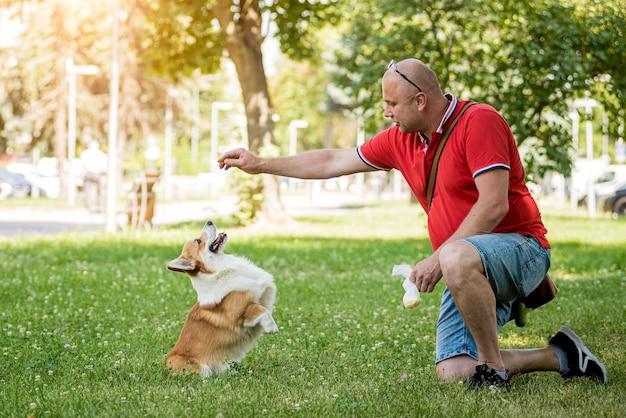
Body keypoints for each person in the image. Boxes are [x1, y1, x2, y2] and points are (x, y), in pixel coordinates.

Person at [217, 58, 608, 389]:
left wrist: (439, 258)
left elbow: (493, 205)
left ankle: (493, 370)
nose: (386, 112)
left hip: (521, 250)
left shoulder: (480, 122)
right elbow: (333, 161)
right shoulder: (402, 139)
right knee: (453, 371)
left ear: (421, 100)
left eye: (392, 103)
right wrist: (260, 164)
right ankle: (560, 355)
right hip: (466, 264)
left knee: (454, 256)